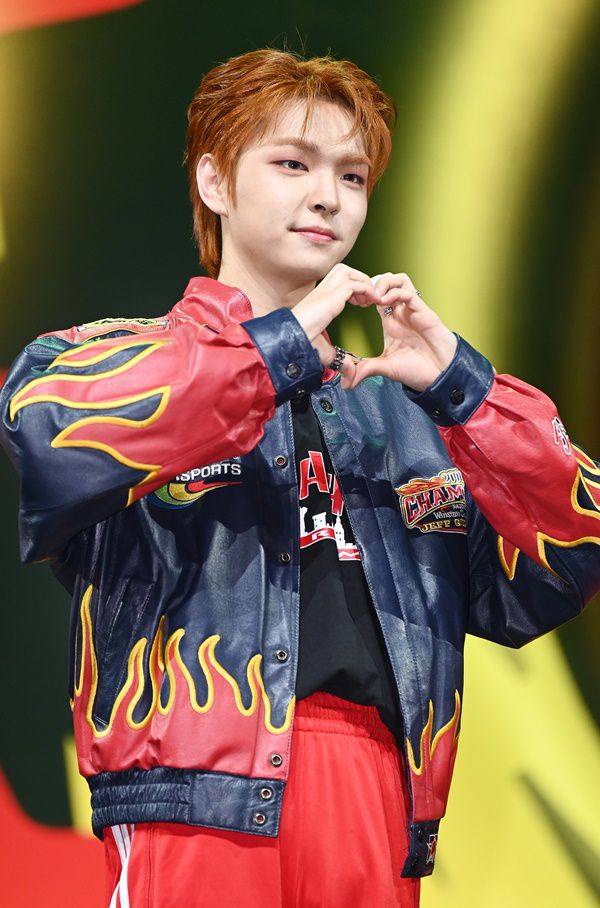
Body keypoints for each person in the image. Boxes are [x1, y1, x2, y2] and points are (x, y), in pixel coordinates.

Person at [1, 47, 599, 908]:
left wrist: (461, 387)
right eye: (293, 164)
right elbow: (50, 438)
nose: (328, 196)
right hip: (194, 795)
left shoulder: (409, 415)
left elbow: (574, 552)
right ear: (214, 181)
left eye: (352, 176)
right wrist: (281, 345)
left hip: (377, 798)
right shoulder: (110, 360)